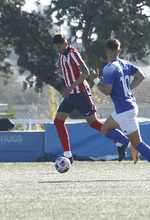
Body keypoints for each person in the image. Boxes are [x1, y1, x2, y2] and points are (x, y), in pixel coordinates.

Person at [90, 38, 150, 180]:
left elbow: (107, 91)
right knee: (105, 128)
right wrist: (129, 89)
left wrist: (95, 80)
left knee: (137, 143)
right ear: (119, 51)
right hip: (130, 106)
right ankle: (127, 143)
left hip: (124, 110)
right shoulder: (125, 63)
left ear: (106, 51)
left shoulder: (108, 69)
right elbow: (141, 76)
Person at [52, 34, 130, 163]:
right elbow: (68, 65)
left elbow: (86, 72)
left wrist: (70, 87)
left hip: (81, 93)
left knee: (93, 123)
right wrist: (63, 69)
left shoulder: (73, 53)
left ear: (66, 44)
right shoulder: (61, 54)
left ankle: (120, 141)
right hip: (70, 95)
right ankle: (68, 155)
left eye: (59, 47)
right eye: (56, 48)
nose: (58, 50)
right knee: (58, 122)